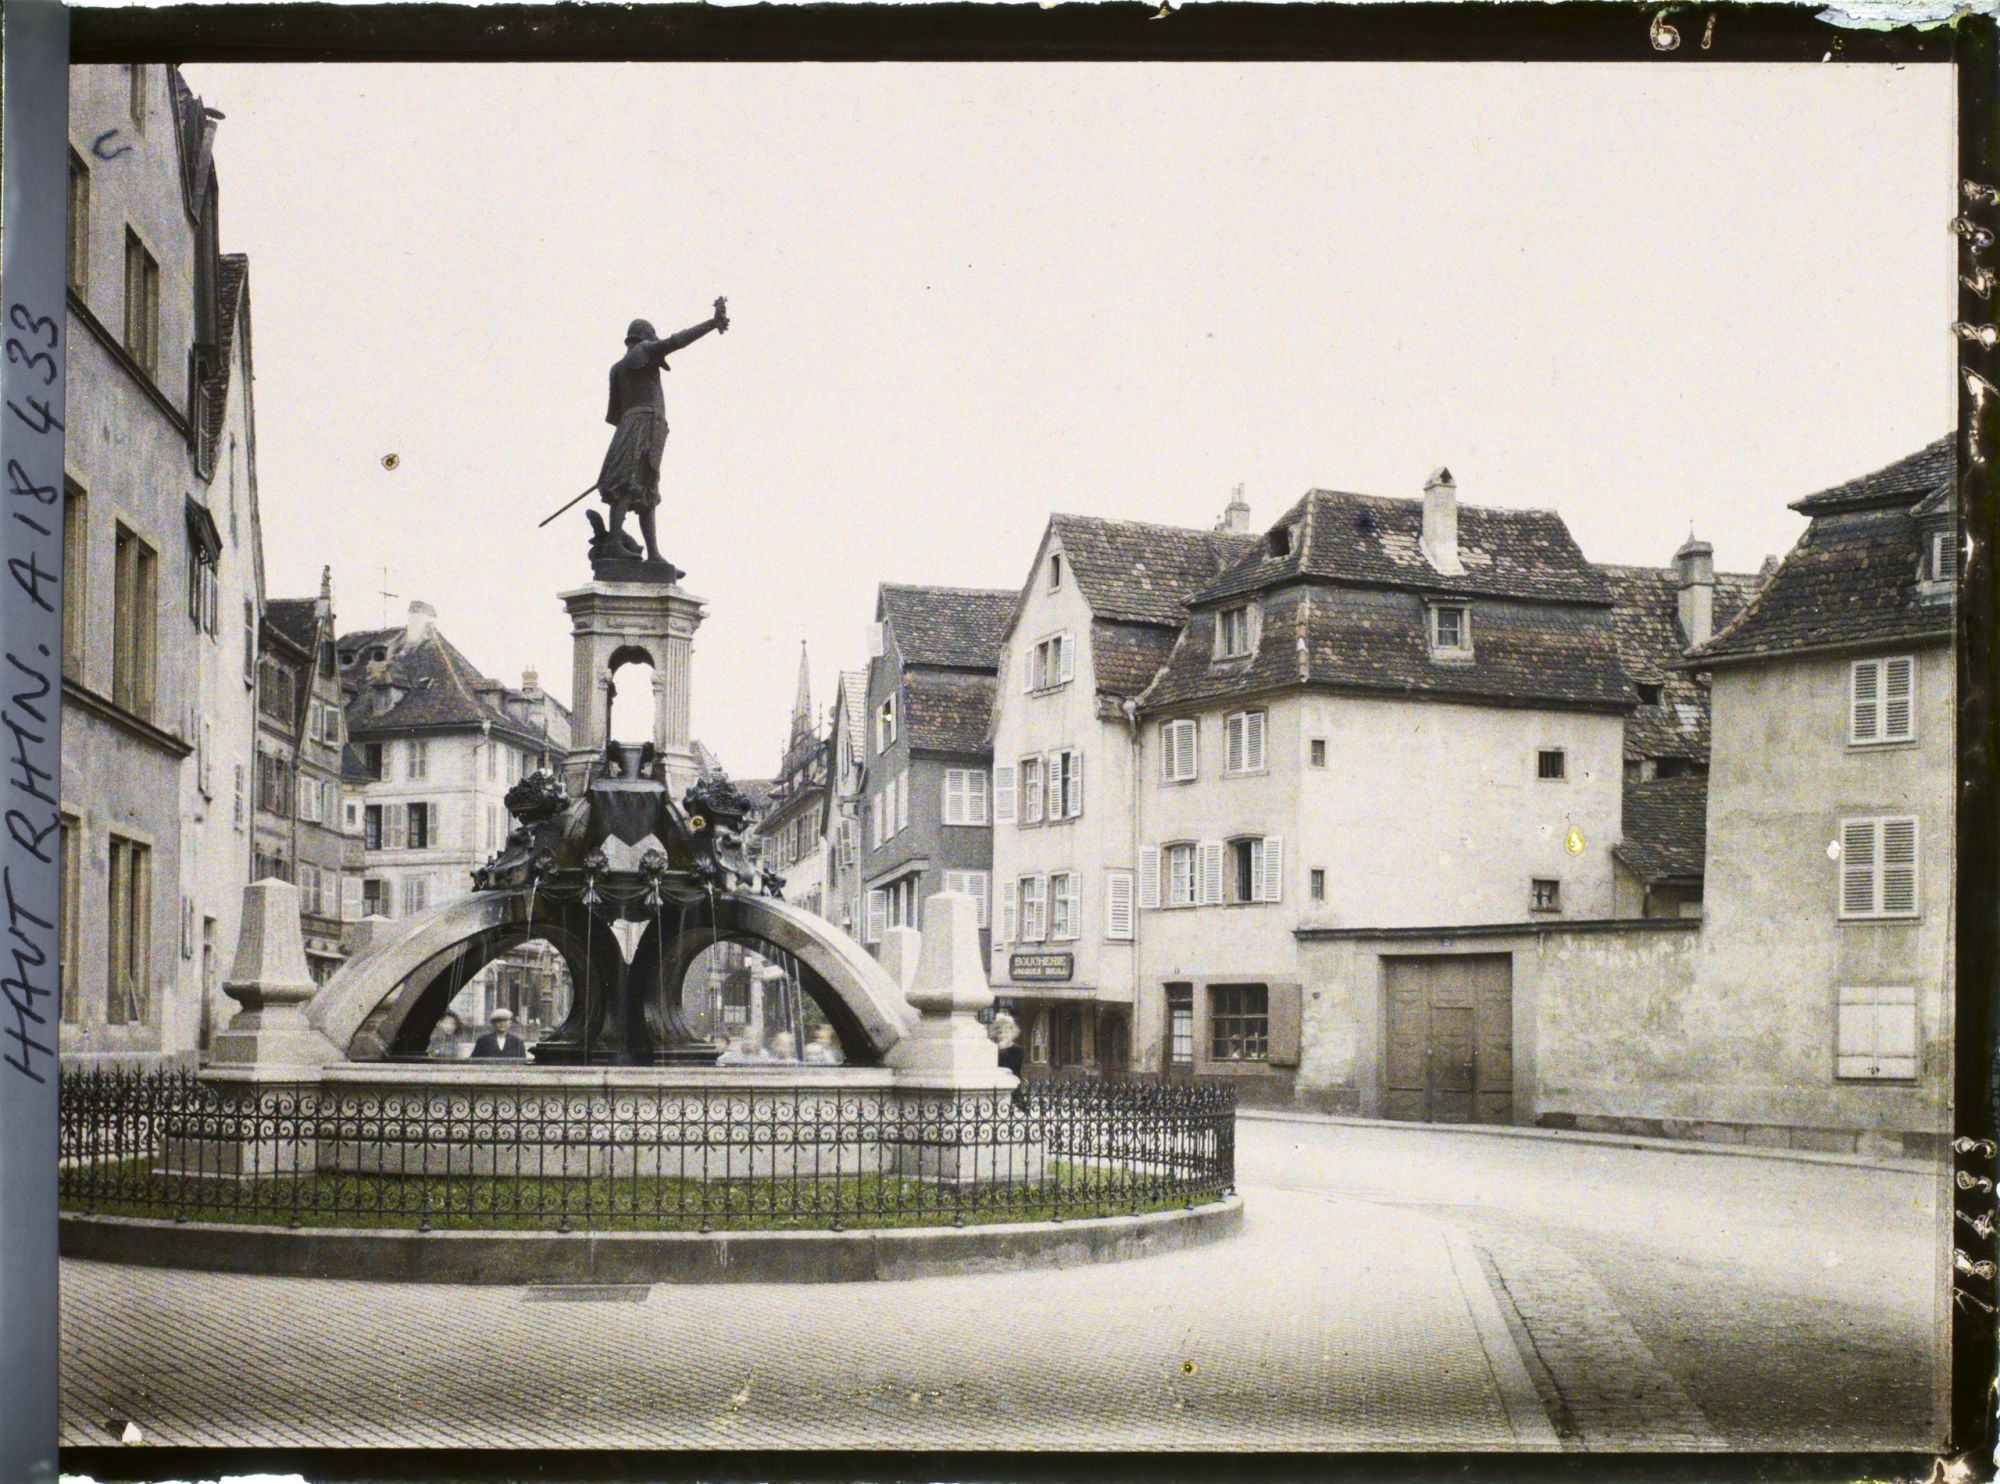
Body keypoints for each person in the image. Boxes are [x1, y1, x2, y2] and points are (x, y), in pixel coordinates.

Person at [597, 302, 729, 567]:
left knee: (643, 486)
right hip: (645, 423)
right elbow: (677, 341)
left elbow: (614, 415)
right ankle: (615, 542)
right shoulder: (644, 350)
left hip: (632, 425)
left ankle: (653, 553)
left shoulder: (616, 369)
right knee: (630, 483)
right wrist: (711, 324)